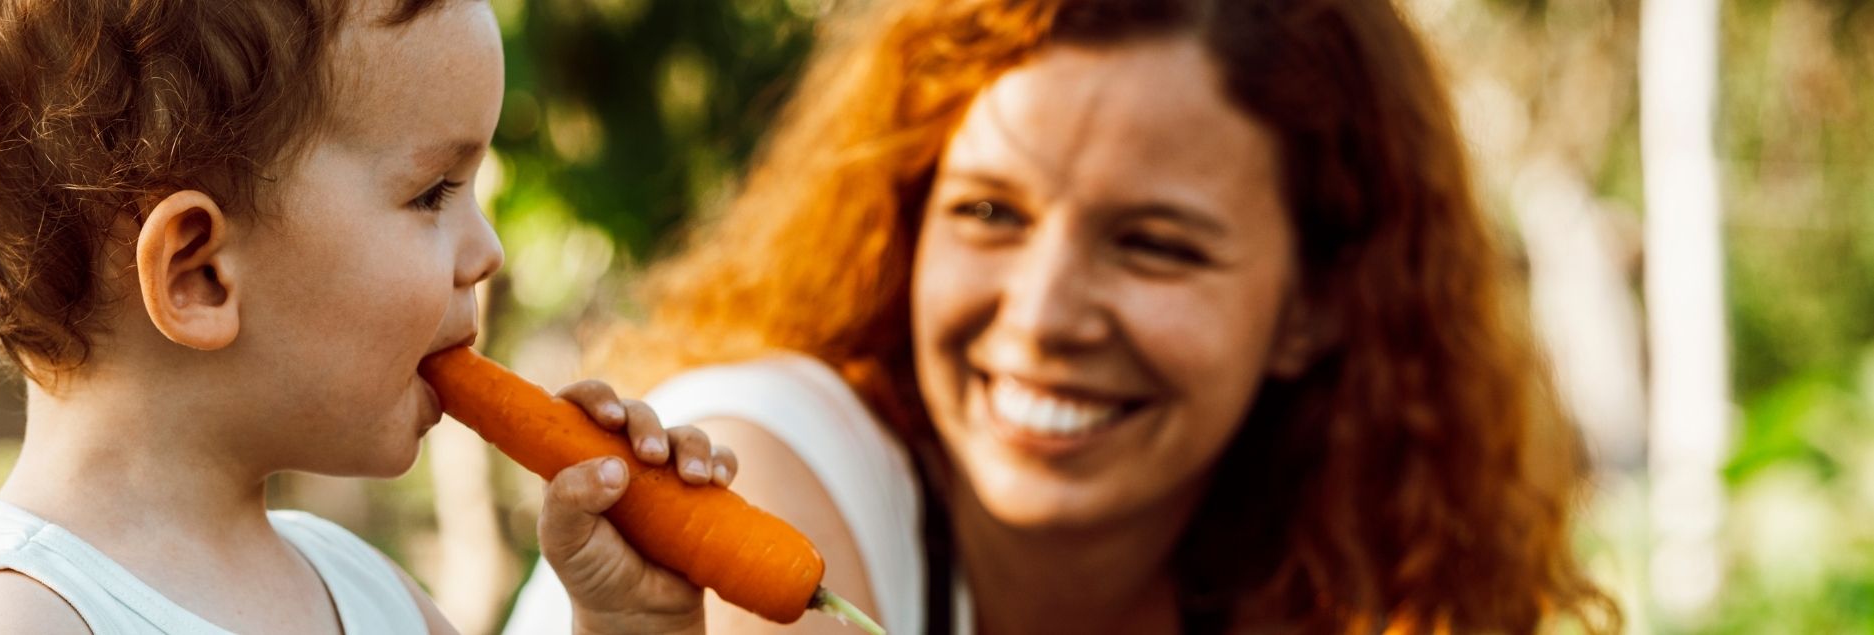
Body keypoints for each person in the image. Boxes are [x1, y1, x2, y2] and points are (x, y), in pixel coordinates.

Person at [507, 0, 1621, 632]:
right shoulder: (757, 464)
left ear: (1313, 306)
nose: (1040, 315)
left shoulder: (1300, 571)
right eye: (990, 211)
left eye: (1154, 245)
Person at [0, 0, 732, 633]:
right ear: (199, 274)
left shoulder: (369, 592)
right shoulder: (24, 620)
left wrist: (625, 629)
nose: (487, 250)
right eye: (431, 193)